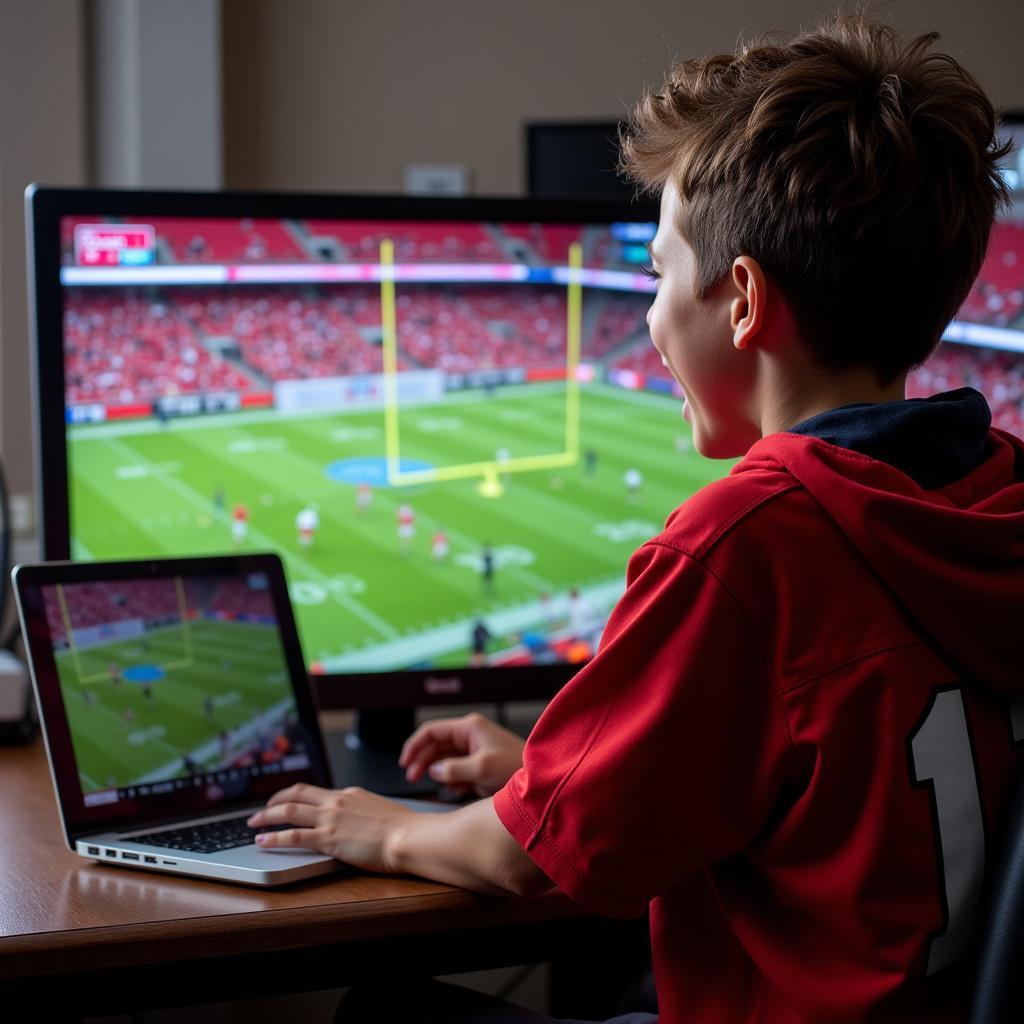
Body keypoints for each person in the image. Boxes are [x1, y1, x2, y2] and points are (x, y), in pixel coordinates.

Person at [246, 15, 1024, 1023]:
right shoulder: (994, 490)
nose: (649, 317)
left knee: (380, 1011)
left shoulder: (748, 542)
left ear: (740, 300)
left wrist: (378, 825)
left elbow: (520, 856)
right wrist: (545, 767)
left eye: (657, 270)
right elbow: (806, 775)